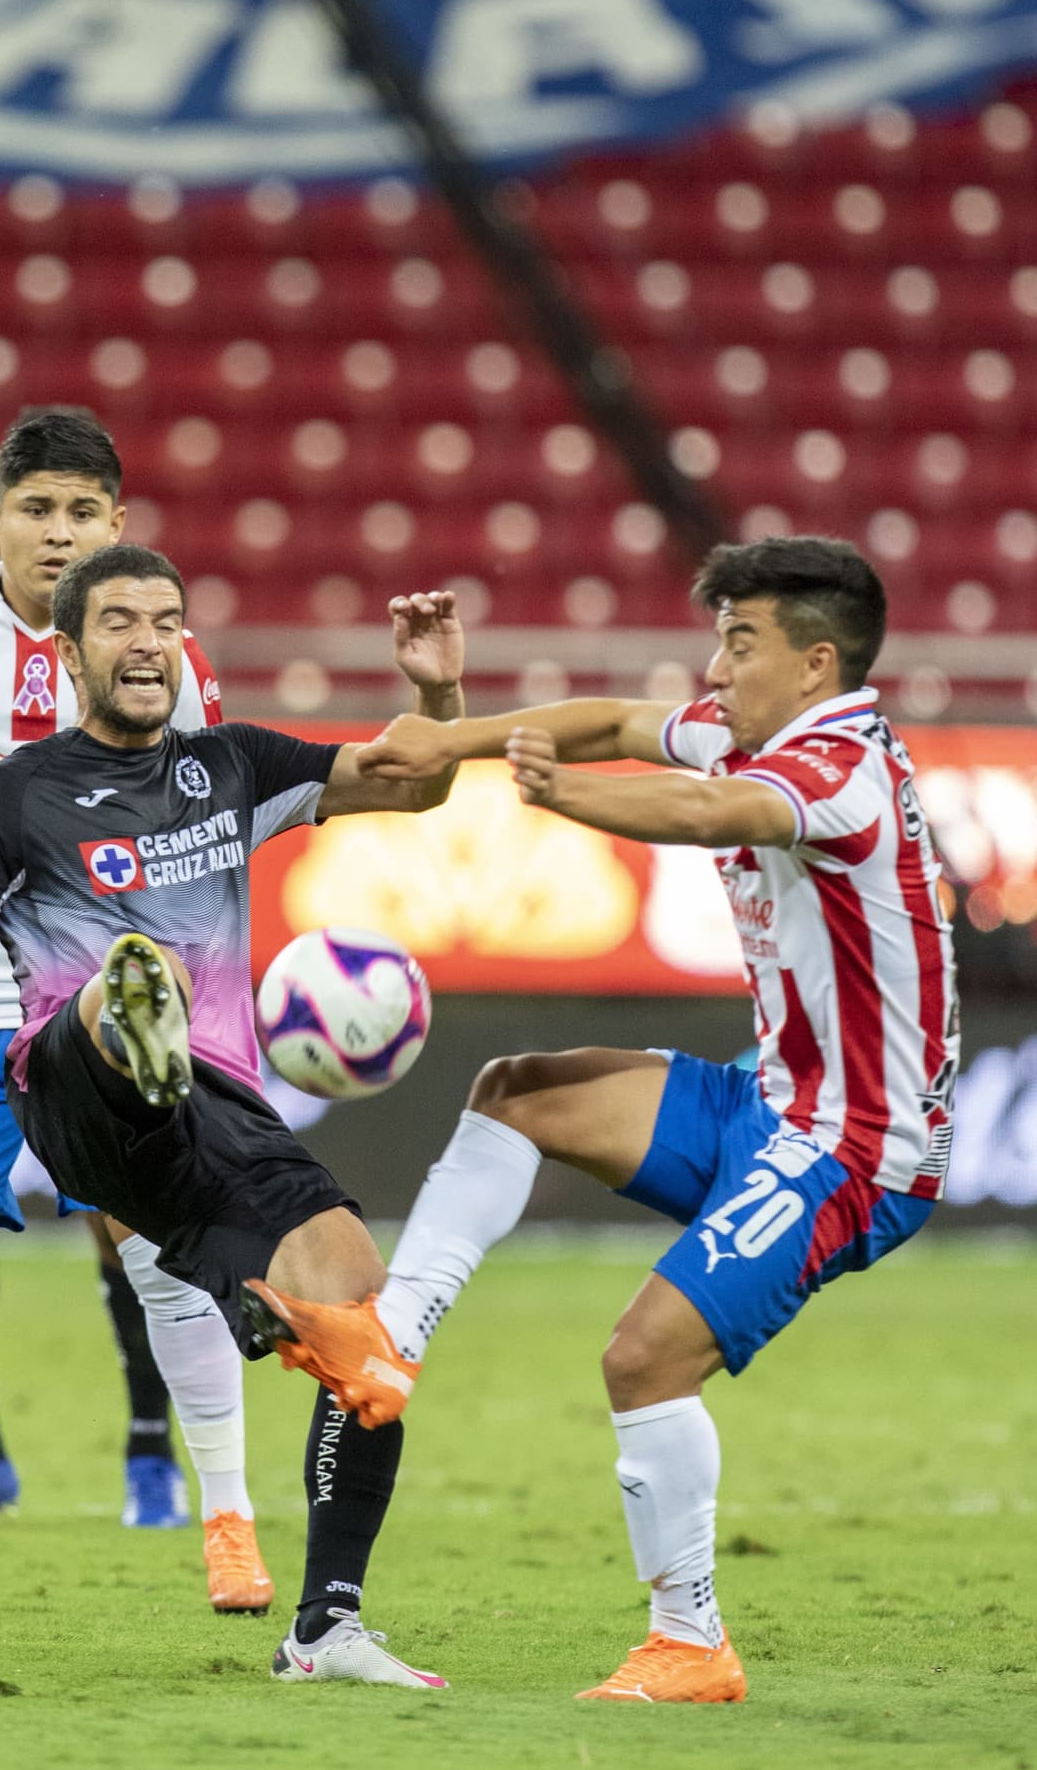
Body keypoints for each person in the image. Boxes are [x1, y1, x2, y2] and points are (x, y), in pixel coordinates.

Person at [241, 535, 959, 1704]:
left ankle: (689, 1641)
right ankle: (393, 1336)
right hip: (765, 1104)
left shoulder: (839, 768)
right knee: (515, 1091)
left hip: (856, 1152)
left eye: (740, 642)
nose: (713, 667)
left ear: (816, 662)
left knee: (640, 1359)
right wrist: (451, 740)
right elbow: (620, 724)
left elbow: (708, 807)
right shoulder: (756, 729)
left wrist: (555, 797)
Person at [0, 543, 464, 1688]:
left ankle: (325, 1629)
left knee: (365, 1333)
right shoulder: (13, 792)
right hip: (70, 1084)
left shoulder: (232, 766)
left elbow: (417, 782)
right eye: (120, 622)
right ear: (69, 646)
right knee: (128, 982)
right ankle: (136, 1023)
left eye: (165, 620)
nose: (146, 640)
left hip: (212, 1113)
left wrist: (434, 695)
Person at [0, 414, 274, 1611]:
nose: (60, 532)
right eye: (38, 509)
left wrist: (186, 976)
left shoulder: (166, 656)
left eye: (83, 512)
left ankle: (226, 1520)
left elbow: (197, 822)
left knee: (163, 1268)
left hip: (107, 1014)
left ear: (115, 525)